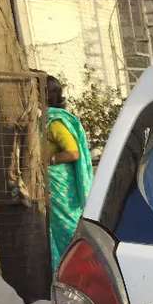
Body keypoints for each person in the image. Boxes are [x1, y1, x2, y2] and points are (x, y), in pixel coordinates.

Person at [45, 75, 94, 271]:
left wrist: (50, 160)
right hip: (55, 189)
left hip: (62, 188)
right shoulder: (44, 120)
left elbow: (73, 152)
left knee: (68, 229)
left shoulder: (55, 122)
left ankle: (80, 270)